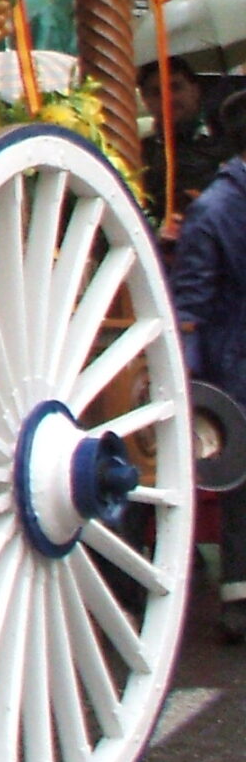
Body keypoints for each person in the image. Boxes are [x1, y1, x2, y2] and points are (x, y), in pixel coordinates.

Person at [172, 91, 246, 641]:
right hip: (234, 359)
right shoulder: (216, 207)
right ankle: (238, 597)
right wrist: (194, 387)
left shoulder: (216, 205)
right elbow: (191, 306)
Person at [142, 60, 225, 233]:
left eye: (176, 87)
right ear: (145, 100)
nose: (168, 98)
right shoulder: (142, 156)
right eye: (157, 93)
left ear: (195, 90)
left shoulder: (228, 140)